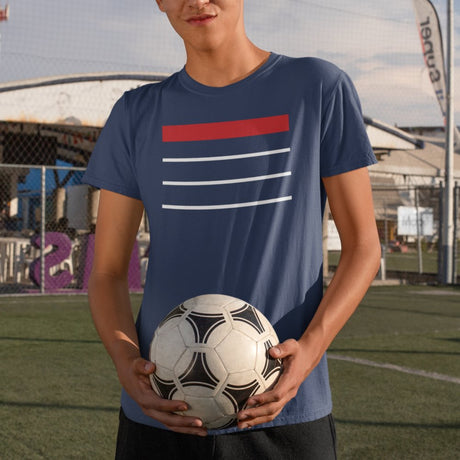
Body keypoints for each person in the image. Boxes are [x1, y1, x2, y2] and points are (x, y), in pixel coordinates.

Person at [82, 0, 381, 458]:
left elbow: (363, 247)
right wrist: (125, 361)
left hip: (285, 416)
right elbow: (106, 271)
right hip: (160, 414)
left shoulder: (317, 89)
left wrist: (309, 351)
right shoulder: (135, 114)